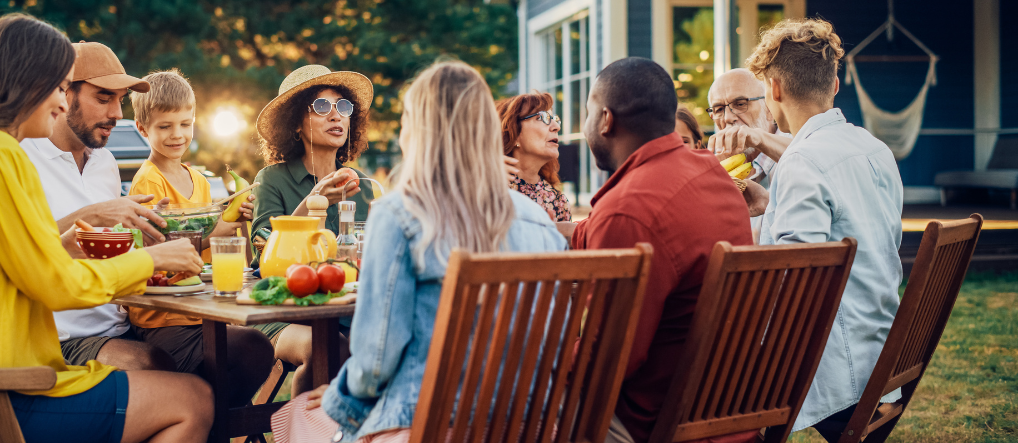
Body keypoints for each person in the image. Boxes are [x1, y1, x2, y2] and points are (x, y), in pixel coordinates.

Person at [0, 13, 211, 442]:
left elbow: (14, 258)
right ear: (29, 82)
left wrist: (81, 238)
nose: (61, 103)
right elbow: (55, 286)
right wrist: (147, 259)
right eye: (59, 88)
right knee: (193, 400)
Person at [271, 60, 567, 443]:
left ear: (417, 131)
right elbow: (550, 342)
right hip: (529, 426)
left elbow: (376, 360)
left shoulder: (400, 214)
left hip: (425, 425)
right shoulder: (538, 222)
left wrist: (344, 400)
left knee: (299, 414)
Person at [571, 57, 754, 443]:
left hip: (652, 425)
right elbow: (631, 229)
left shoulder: (628, 210)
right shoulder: (712, 175)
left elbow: (604, 366)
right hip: (727, 414)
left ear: (605, 119)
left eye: (586, 112)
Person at [744, 18, 903, 439]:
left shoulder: (801, 160)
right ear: (834, 85)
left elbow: (796, 282)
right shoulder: (876, 149)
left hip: (836, 369)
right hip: (883, 351)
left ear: (773, 89)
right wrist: (769, 209)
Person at [22, 41, 177, 372]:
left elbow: (104, 248)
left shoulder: (104, 161)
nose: (117, 114)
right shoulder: (21, 157)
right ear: (63, 94)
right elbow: (25, 252)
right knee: (155, 365)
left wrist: (144, 231)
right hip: (59, 336)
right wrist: (93, 215)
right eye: (103, 98)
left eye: (119, 101)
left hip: (122, 321)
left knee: (236, 349)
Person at [127, 69, 275, 407]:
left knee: (251, 349)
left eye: (185, 123)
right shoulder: (148, 183)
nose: (177, 135)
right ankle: (211, 421)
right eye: (164, 126)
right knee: (252, 349)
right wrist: (223, 225)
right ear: (142, 128)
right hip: (163, 320)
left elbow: (211, 249)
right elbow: (161, 252)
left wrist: (238, 219)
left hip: (202, 312)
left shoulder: (201, 181)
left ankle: (212, 420)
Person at [250, 64, 374, 396]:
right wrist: (313, 201)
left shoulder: (363, 186)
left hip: (347, 312)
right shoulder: (271, 179)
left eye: (343, 107)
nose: (336, 116)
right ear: (295, 125)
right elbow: (264, 253)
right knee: (330, 348)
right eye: (321, 106)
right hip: (280, 311)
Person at [706, 68, 793, 187]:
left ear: (769, 108)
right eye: (719, 110)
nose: (727, 118)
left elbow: (813, 156)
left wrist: (759, 139)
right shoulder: (717, 159)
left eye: (740, 104)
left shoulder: (797, 144)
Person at [496, 92, 572, 222]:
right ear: (513, 133)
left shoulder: (558, 202)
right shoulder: (489, 189)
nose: (556, 127)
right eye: (543, 117)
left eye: (555, 119)